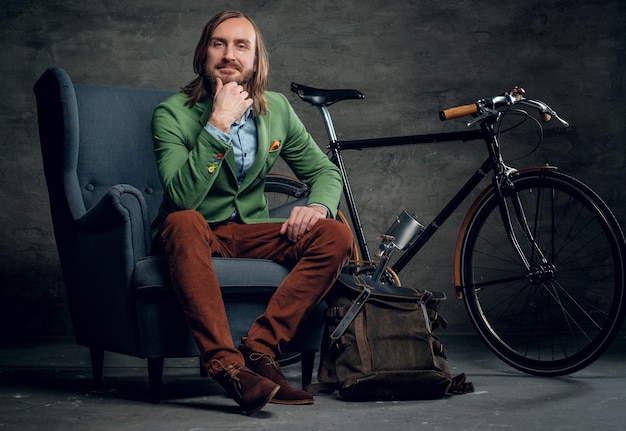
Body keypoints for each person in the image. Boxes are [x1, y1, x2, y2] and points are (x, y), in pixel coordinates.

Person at [150, 10, 353, 415]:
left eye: (242, 46)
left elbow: (324, 172)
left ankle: (260, 349)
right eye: (218, 44)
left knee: (334, 233)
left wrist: (316, 206)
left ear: (256, 60)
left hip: (250, 232)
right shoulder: (170, 113)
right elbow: (181, 198)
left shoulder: (275, 109)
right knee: (183, 220)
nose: (229, 55)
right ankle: (227, 366)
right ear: (202, 54)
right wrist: (218, 124)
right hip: (195, 232)